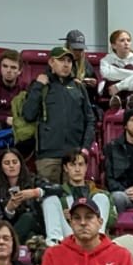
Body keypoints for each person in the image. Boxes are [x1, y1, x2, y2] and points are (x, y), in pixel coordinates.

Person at [21, 47, 95, 184]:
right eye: (61, 60)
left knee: (72, 196)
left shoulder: (78, 87)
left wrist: (85, 147)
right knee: (48, 194)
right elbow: (28, 115)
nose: (66, 64)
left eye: (69, 61)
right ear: (51, 62)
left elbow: (90, 120)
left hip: (73, 156)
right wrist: (38, 86)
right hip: (48, 156)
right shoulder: (41, 85)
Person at [42, 150, 114, 243]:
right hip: (67, 234)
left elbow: (112, 221)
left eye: (80, 165)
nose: (77, 169)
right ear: (66, 168)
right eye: (72, 165)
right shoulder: (59, 194)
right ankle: (54, 242)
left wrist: (87, 215)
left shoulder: (100, 192)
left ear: (86, 167)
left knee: (101, 197)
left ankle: (98, 240)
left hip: (93, 232)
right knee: (50, 199)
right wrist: (66, 216)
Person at [0, 148, 50, 242]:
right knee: (30, 237)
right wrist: (9, 210)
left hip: (37, 226)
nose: (11, 166)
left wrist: (35, 192)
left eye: (15, 162)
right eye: (7, 163)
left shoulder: (33, 180)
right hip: (11, 230)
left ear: (21, 164)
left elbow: (57, 190)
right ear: (1, 167)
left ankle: (10, 245)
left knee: (28, 217)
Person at [99, 30, 133, 111]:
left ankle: (130, 101)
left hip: (130, 91)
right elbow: (106, 74)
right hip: (111, 92)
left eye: (128, 40)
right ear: (114, 46)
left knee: (130, 67)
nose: (126, 43)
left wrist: (118, 86)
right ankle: (115, 101)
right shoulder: (106, 60)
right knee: (117, 69)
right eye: (122, 40)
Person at [62, 29, 98, 96]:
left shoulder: (86, 64)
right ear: (67, 47)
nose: (78, 52)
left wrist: (94, 85)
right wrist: (73, 83)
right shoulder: (58, 62)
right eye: (75, 49)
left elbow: (94, 93)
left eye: (80, 49)